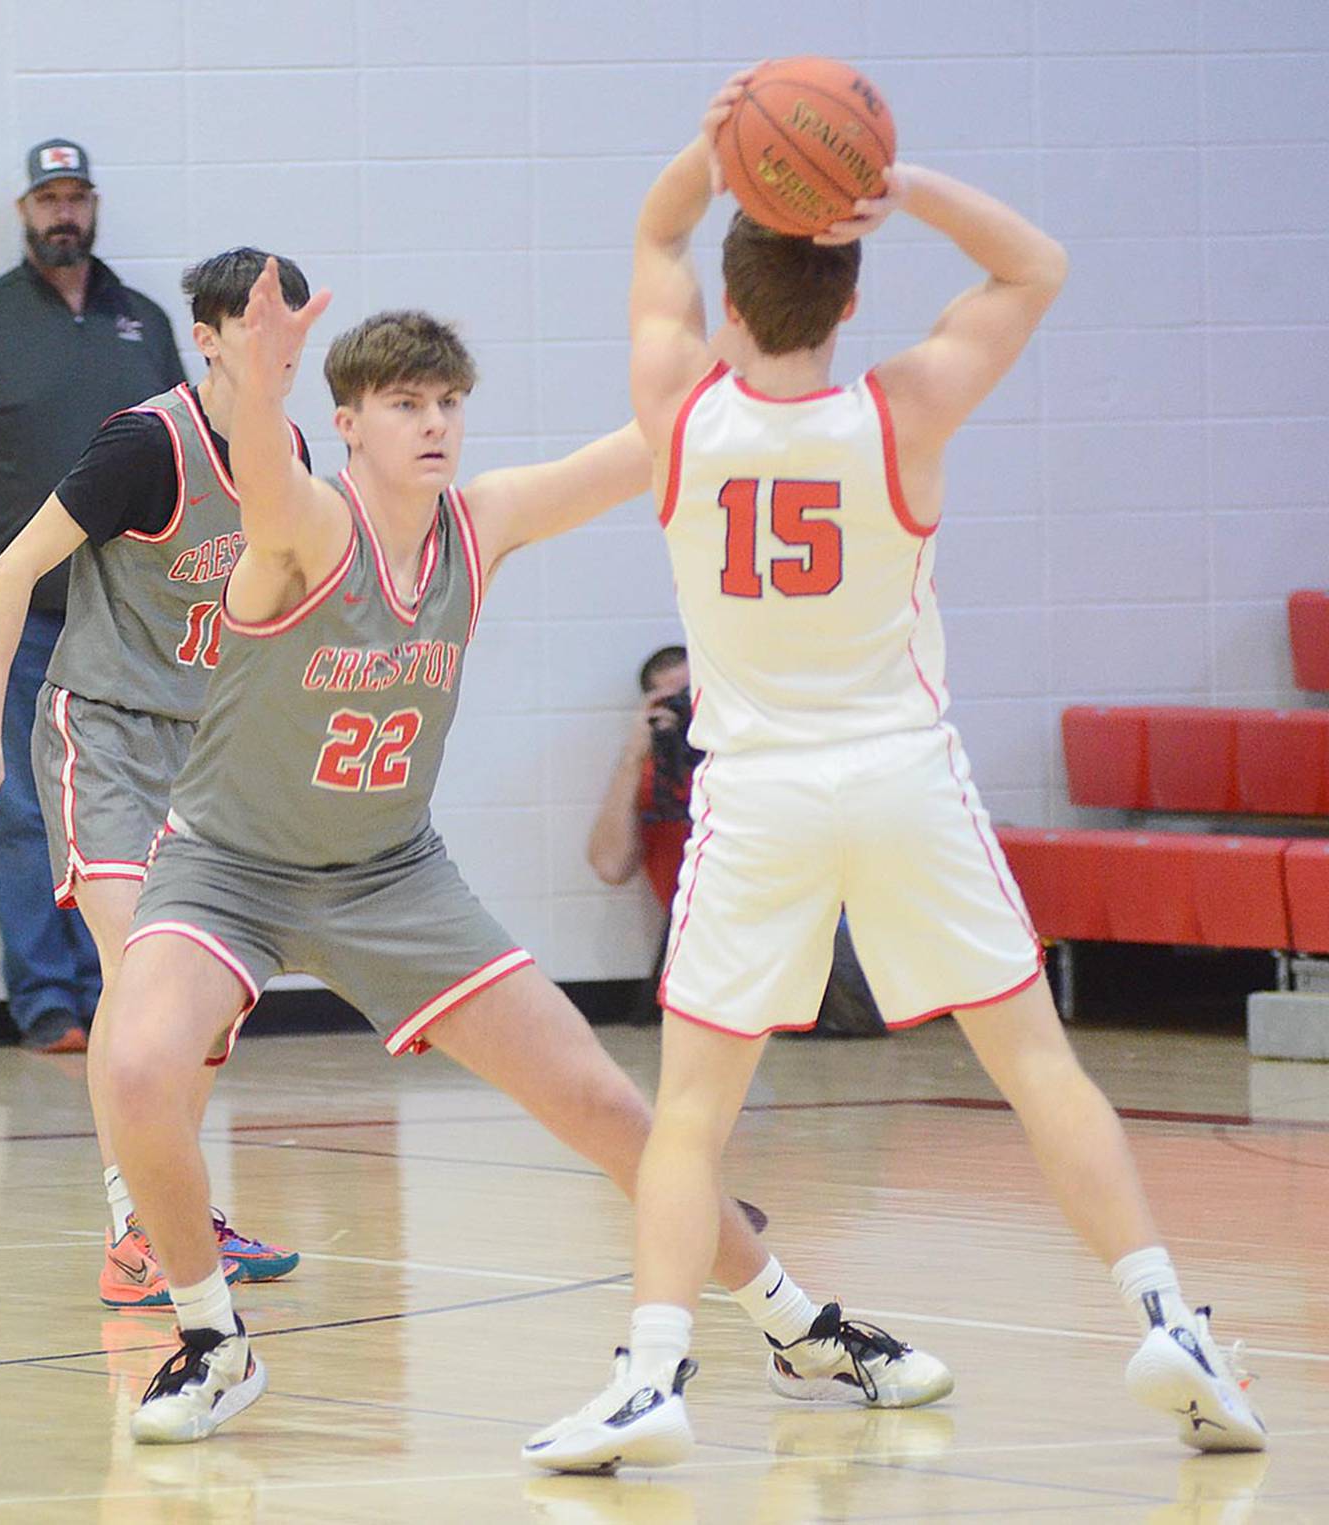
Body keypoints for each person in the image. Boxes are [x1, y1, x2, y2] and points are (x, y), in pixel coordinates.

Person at [527, 74, 1266, 1471]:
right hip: (903, 780)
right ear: (852, 300)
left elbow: (652, 240)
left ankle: (651, 1375)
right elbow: (1035, 265)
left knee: (691, 1109)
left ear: (731, 305)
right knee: (1037, 1063)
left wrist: (719, 141)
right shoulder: (906, 406)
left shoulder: (679, 409)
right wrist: (895, 184)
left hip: (756, 797)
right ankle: (1167, 1314)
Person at [100, 262, 951, 1445]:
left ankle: (802, 1327)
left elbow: (641, 451)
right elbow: (257, 474)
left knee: (609, 1105)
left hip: (393, 874)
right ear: (345, 423)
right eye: (405, 403)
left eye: (448, 401)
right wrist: (266, 362)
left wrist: (757, 359)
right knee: (136, 1069)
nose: (435, 422)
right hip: (228, 868)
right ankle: (210, 1337)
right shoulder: (305, 523)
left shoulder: (479, 523)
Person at [0, 249, 307, 1309]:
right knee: (141, 970)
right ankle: (137, 1225)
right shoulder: (149, 445)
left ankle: (176, 1206)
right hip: (104, 731)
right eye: (260, 323)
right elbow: (13, 568)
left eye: (294, 322)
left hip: (210, 749)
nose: (282, 340)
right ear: (207, 337)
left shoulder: (286, 449)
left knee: (204, 998)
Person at [0, 138, 185, 1052]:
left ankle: (132, 996)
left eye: (76, 196)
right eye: (48, 198)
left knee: (131, 803)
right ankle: (49, 1001)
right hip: (11, 615)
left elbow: (189, 453)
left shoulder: (144, 321)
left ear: (94, 204)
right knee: (17, 808)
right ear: (26, 212)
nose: (63, 212)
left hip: (128, 621)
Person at [590, 643, 886, 1035]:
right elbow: (610, 866)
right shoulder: (648, 776)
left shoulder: (761, 759)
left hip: (793, 925)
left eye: (698, 693)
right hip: (718, 940)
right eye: (676, 699)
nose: (690, 707)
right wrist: (634, 753)